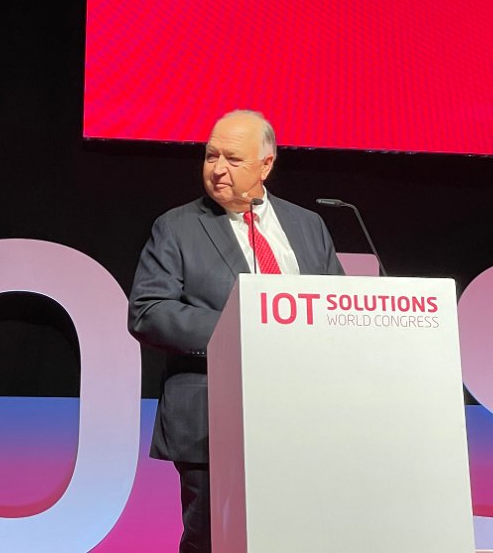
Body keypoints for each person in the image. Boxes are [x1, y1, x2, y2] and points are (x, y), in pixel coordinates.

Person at [128, 110, 344, 553]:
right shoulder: (177, 227)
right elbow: (148, 311)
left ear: (266, 165)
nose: (218, 169)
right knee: (213, 540)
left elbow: (335, 309)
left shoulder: (307, 225)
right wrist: (242, 327)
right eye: (211, 156)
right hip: (213, 416)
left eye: (233, 159)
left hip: (303, 415)